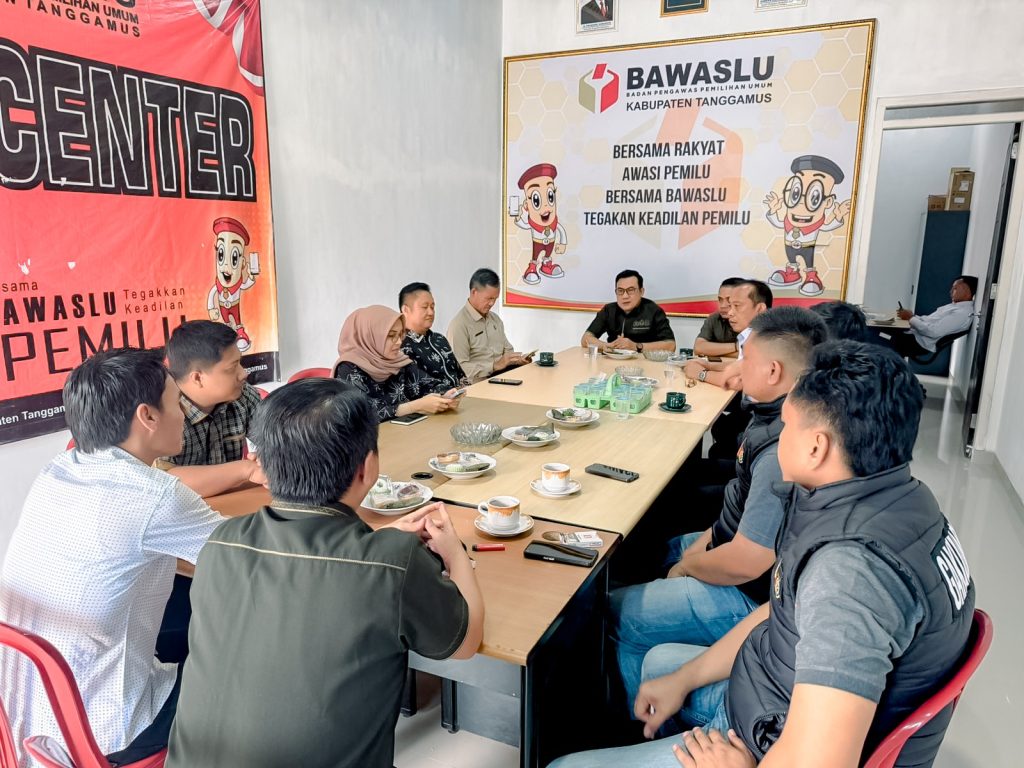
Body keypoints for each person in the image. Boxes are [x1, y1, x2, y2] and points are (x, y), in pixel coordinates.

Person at [550, 341, 975, 768]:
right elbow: (782, 611)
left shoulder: (848, 574)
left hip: (768, 743)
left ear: (816, 448)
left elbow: (821, 760)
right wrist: (685, 678)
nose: (778, 436)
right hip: (771, 697)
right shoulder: (900, 501)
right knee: (662, 666)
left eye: (787, 425)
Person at [166, 378, 484, 768]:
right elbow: (465, 644)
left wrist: (379, 542)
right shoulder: (395, 561)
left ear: (263, 467)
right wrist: (454, 553)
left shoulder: (221, 542)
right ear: (368, 467)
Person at [0, 348, 224, 766]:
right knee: (241, 653)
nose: (183, 414)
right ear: (148, 416)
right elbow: (248, 555)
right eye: (177, 402)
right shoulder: (155, 497)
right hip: (105, 728)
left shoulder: (57, 470)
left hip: (23, 717)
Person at [610, 308, 827, 711]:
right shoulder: (777, 415)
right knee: (653, 549)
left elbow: (747, 561)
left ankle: (638, 716)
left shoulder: (782, 446)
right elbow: (739, 509)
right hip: (731, 548)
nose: (737, 367)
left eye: (746, 359)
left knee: (615, 611)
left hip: (748, 595)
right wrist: (699, 550)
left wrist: (689, 567)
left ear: (774, 371)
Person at [159, 320, 265, 497]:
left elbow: (277, 441)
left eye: (240, 363)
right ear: (197, 378)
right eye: (232, 367)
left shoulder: (243, 395)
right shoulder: (161, 414)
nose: (243, 373)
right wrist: (246, 469)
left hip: (231, 503)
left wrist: (268, 458)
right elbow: (163, 481)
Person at [334, 305, 460, 422]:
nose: (399, 342)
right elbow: (361, 415)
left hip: (406, 431)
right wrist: (415, 406)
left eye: (400, 335)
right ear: (370, 336)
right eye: (391, 336)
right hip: (374, 437)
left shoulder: (398, 361)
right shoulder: (348, 368)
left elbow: (427, 384)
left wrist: (445, 395)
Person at [683, 280, 773, 389]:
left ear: (760, 309)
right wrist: (708, 365)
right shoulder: (751, 333)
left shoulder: (770, 338)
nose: (730, 313)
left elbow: (740, 382)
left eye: (737, 306)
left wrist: (701, 373)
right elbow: (740, 366)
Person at [448, 268, 532, 381]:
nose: (492, 303)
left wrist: (517, 360)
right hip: (478, 384)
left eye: (495, 299)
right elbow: (459, 367)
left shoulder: (495, 319)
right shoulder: (459, 325)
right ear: (474, 292)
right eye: (489, 298)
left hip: (502, 377)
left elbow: (507, 350)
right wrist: (494, 366)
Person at [581, 270, 676, 353]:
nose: (625, 296)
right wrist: (605, 345)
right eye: (620, 291)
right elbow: (586, 339)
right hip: (613, 360)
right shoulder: (609, 310)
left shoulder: (653, 310)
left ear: (641, 291)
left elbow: (671, 345)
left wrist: (636, 346)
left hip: (644, 361)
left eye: (630, 290)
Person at [399, 281, 467, 390]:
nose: (431, 312)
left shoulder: (439, 339)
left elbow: (460, 374)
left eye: (432, 307)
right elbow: (416, 385)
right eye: (425, 307)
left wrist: (469, 390)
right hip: (435, 399)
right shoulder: (400, 345)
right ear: (405, 310)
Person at [890, 275, 977, 358]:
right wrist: (912, 316)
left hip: (918, 342)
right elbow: (928, 320)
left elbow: (932, 332)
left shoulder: (961, 314)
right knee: (886, 324)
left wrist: (910, 318)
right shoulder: (956, 307)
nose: (950, 291)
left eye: (955, 288)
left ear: (967, 292)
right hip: (915, 335)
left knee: (883, 331)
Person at [693, 277, 744, 359]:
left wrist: (713, 352)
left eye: (729, 300)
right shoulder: (714, 318)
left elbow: (752, 355)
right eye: (720, 300)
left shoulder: (752, 320)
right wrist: (736, 346)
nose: (722, 305)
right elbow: (698, 348)